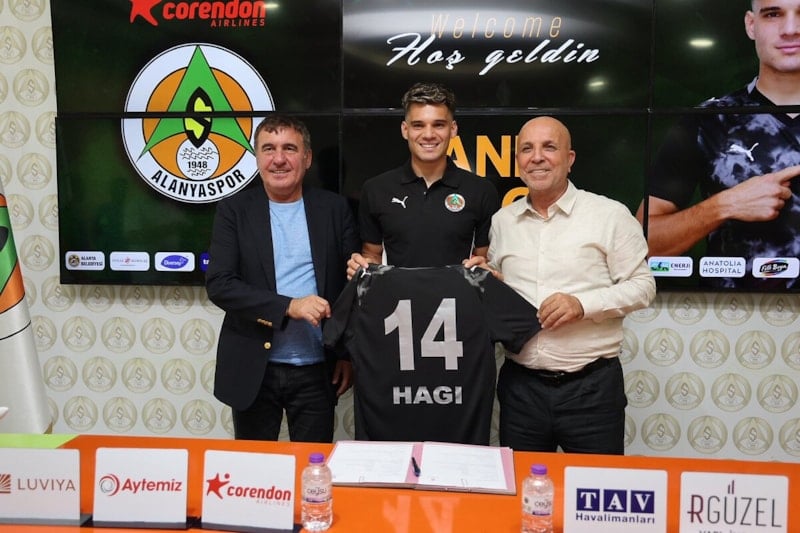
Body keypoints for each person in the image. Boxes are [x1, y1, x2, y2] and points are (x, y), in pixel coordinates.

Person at [467, 116, 656, 454]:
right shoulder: (502, 221)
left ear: (569, 159)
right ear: (518, 161)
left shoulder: (609, 215)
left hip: (592, 390)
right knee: (523, 483)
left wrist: (583, 305)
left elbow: (643, 286)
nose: (537, 157)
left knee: (595, 486)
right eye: (527, 149)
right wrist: (490, 281)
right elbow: (501, 284)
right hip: (520, 389)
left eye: (549, 147)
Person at [206, 114, 359, 441]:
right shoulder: (234, 210)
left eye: (289, 148)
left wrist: (345, 353)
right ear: (257, 157)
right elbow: (220, 284)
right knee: (254, 466)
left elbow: (350, 289)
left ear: (307, 158)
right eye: (269, 149)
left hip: (318, 369)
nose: (278, 159)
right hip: (253, 366)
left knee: (311, 465)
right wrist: (290, 306)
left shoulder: (335, 209)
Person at [636, 0, 800, 289]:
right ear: (751, 24)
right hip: (733, 312)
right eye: (773, 14)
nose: (790, 29)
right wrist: (725, 205)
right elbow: (640, 246)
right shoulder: (708, 120)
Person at [347, 82, 499, 276]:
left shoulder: (481, 190)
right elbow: (372, 254)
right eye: (418, 125)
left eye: (438, 125)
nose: (428, 135)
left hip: (458, 296)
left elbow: (485, 260)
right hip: (397, 296)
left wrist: (486, 269)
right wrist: (362, 267)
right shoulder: (376, 189)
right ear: (405, 130)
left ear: (453, 129)